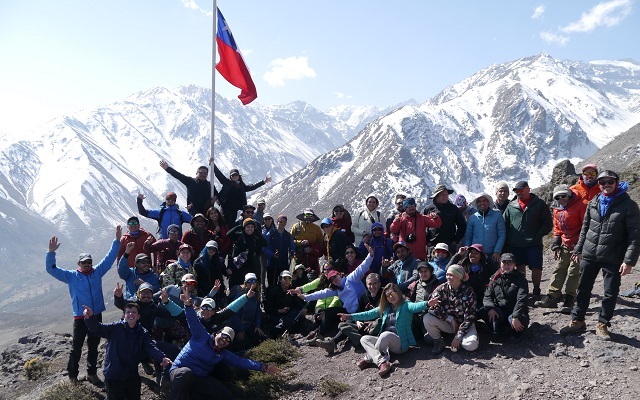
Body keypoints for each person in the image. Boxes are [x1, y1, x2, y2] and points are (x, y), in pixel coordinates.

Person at [561, 170, 640, 340]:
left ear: (616, 182)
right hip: (590, 253)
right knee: (583, 288)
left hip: (613, 256)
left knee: (610, 292)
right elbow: (585, 228)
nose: (606, 185)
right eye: (602, 182)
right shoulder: (594, 201)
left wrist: (629, 261)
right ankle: (578, 320)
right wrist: (578, 249)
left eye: (609, 182)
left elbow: (635, 236)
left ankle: (603, 323)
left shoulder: (628, 205)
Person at [46, 226, 122, 385]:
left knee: (94, 346)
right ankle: (73, 376)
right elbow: (52, 270)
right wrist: (51, 253)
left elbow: (110, 258)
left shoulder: (97, 272)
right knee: (77, 348)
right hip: (80, 317)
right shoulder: (71, 276)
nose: (87, 264)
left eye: (89, 262)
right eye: (84, 262)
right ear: (79, 263)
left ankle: (92, 374)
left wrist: (116, 241)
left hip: (95, 315)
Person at [169, 294, 280, 400]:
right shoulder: (201, 336)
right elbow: (193, 321)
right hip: (179, 372)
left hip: (197, 378)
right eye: (223, 336)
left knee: (223, 393)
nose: (224, 341)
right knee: (185, 373)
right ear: (217, 333)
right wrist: (188, 306)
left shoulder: (222, 354)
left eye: (228, 340)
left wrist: (264, 367)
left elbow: (241, 361)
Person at [295, 246, 375, 353]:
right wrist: (305, 297)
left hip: (360, 309)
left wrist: (370, 255)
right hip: (348, 311)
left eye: (335, 277)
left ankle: (333, 342)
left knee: (345, 324)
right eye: (332, 280)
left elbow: (362, 267)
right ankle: (320, 335)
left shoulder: (351, 278)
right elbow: (321, 293)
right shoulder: (336, 289)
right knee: (329, 312)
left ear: (339, 274)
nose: (334, 280)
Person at [83, 303, 172, 400]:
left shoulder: (142, 333)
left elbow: (150, 347)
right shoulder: (115, 328)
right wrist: (90, 318)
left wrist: (161, 357)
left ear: (138, 316)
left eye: (134, 312)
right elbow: (98, 328)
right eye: (128, 312)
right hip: (114, 375)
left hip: (131, 374)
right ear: (124, 315)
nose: (130, 314)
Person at [338, 283, 428, 377]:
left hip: (400, 343)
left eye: (392, 294)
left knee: (385, 335)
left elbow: (416, 306)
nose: (391, 297)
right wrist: (349, 316)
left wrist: (427, 303)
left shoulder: (406, 305)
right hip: (385, 342)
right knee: (364, 339)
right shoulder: (386, 308)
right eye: (388, 296)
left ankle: (369, 358)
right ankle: (382, 362)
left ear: (397, 292)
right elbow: (368, 314)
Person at [535, 184, 586, 312]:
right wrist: (556, 242)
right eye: (558, 197)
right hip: (565, 243)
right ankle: (552, 296)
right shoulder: (557, 208)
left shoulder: (581, 205)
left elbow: (586, 227)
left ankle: (570, 298)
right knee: (560, 268)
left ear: (569, 194)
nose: (561, 198)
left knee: (574, 271)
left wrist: (580, 247)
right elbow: (557, 227)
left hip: (579, 243)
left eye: (564, 195)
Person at [502, 181, 553, 301]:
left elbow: (547, 223)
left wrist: (538, 235)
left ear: (528, 189)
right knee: (519, 266)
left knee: (536, 267)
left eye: (521, 190)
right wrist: (509, 238)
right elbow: (505, 223)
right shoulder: (511, 205)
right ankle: (523, 290)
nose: (519, 193)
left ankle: (536, 290)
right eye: (517, 191)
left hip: (534, 243)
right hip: (516, 244)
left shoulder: (539, 204)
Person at [424, 264, 479, 354]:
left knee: (471, 346)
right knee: (427, 318)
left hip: (465, 325)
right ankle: (439, 341)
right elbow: (432, 308)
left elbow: (470, 316)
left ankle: (460, 340)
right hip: (449, 323)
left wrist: (459, 335)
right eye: (447, 274)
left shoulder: (469, 292)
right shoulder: (441, 289)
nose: (448, 277)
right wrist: (449, 318)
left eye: (452, 275)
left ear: (459, 277)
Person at [477, 253, 529, 341]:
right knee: (483, 311)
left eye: (509, 263)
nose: (506, 265)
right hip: (500, 311)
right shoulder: (495, 278)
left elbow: (522, 299)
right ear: (500, 263)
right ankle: (498, 329)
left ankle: (516, 332)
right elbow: (487, 296)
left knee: (520, 321)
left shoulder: (521, 278)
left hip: (515, 311)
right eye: (504, 262)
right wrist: (491, 308)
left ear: (514, 264)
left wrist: (515, 316)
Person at [337, 273, 383, 349]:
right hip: (364, 326)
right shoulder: (364, 296)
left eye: (375, 283)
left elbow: (387, 313)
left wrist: (373, 322)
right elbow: (359, 312)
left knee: (379, 322)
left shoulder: (384, 295)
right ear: (366, 285)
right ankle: (361, 341)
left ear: (379, 284)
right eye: (369, 284)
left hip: (375, 326)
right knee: (342, 325)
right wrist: (358, 321)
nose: (372, 287)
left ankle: (365, 340)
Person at [226, 218, 268, 298]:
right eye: (248, 227)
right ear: (244, 227)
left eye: (252, 227)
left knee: (250, 288)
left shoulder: (255, 238)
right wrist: (239, 227)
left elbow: (265, 243)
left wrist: (256, 232)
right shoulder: (239, 236)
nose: (250, 229)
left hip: (251, 267)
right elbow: (228, 234)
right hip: (238, 268)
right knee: (238, 288)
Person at [464, 193, 506, 265]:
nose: (482, 203)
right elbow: (468, 236)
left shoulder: (497, 215)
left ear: (488, 202)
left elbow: (502, 235)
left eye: (484, 201)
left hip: (493, 255)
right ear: (477, 203)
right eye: (479, 201)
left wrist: (497, 251)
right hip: (476, 255)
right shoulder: (472, 218)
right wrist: (468, 251)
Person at [424, 184, 466, 253]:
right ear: (436, 196)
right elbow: (422, 227)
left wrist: (455, 241)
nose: (445, 196)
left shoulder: (453, 209)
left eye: (446, 194)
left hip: (449, 246)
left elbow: (462, 225)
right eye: (442, 194)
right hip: (433, 246)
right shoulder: (428, 209)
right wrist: (427, 242)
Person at [265, 270, 307, 338]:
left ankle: (292, 334)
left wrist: (303, 309)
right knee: (286, 321)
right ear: (280, 279)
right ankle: (272, 333)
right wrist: (279, 310)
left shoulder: (291, 290)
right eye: (285, 278)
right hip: (276, 314)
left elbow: (297, 303)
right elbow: (267, 308)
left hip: (288, 314)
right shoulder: (273, 290)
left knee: (300, 317)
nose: (287, 280)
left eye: (289, 278)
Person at [263, 214, 296, 288]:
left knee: (284, 284)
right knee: (272, 284)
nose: (282, 223)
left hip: (284, 263)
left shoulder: (288, 235)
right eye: (281, 221)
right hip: (272, 263)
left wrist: (292, 252)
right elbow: (265, 248)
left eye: (284, 222)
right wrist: (272, 255)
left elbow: (292, 246)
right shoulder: (270, 234)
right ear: (277, 222)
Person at [290, 208, 324, 277]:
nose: (308, 217)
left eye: (310, 215)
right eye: (307, 214)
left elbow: (321, 245)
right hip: (298, 257)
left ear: (313, 217)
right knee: (295, 277)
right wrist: (300, 242)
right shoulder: (296, 227)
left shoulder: (317, 229)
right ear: (304, 215)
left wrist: (312, 249)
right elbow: (290, 241)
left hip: (312, 259)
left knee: (313, 277)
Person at [193, 240, 227, 307]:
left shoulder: (218, 261)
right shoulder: (198, 262)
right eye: (209, 248)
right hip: (203, 290)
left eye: (214, 249)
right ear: (206, 248)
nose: (211, 250)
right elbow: (196, 277)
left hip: (217, 290)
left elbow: (223, 272)